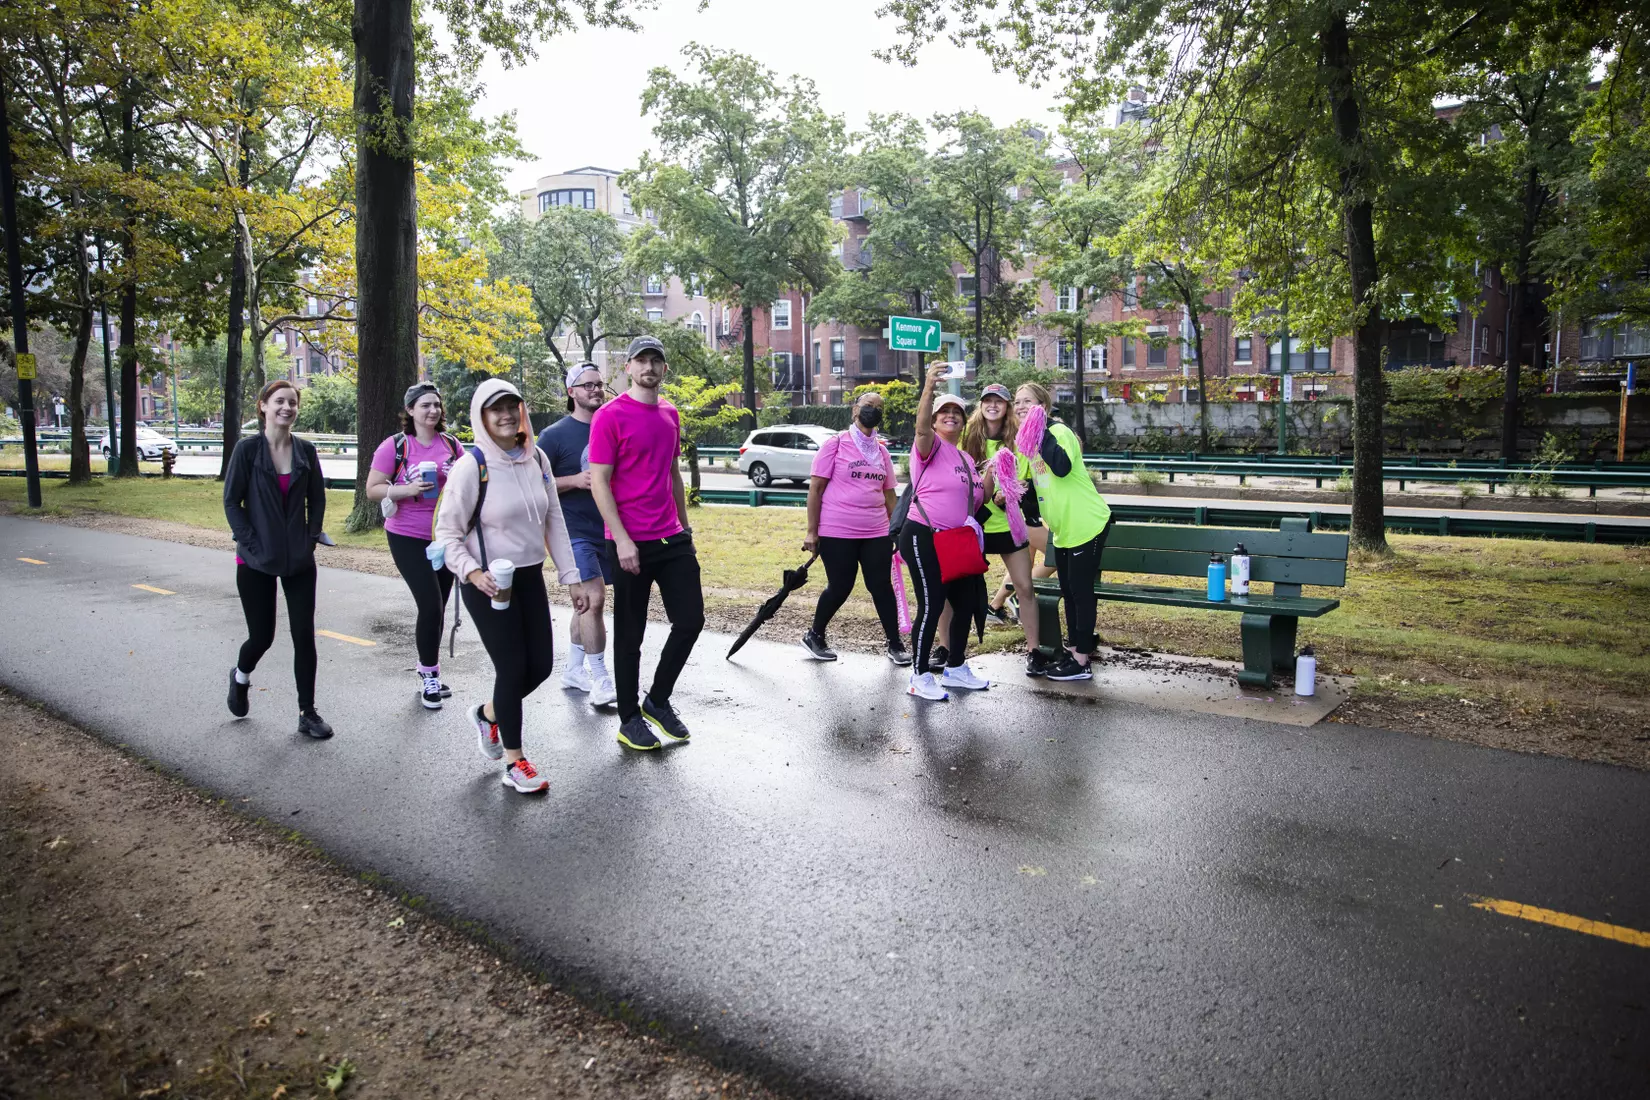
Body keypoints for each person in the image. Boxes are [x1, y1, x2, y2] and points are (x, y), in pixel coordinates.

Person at [434, 379, 596, 794]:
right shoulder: (472, 466)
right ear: (481, 417)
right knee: (510, 668)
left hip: (527, 576)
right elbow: (447, 533)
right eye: (495, 409)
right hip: (488, 582)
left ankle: (489, 714)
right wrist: (472, 572)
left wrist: (571, 577)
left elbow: (554, 520)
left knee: (539, 666)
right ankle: (515, 761)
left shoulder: (537, 458)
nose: (506, 415)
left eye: (512, 406)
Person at [589, 335, 705, 752]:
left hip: (672, 538)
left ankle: (657, 700)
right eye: (642, 361)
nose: (649, 367)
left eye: (657, 361)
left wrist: (685, 529)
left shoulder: (671, 413)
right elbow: (599, 482)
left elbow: (672, 473)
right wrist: (621, 539)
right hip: (629, 540)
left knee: (691, 620)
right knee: (630, 633)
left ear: (664, 370)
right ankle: (629, 718)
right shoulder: (609, 416)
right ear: (628, 367)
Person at [223, 379, 333, 740]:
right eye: (279, 401)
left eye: (292, 403)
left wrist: (311, 536)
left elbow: (316, 499)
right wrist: (250, 543)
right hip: (255, 561)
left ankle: (307, 712)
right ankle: (240, 677)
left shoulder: (306, 451)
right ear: (263, 406)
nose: (287, 408)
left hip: (299, 559)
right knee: (262, 637)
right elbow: (231, 503)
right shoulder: (247, 450)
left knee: (304, 636)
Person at [365, 382, 464, 709]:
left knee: (438, 608)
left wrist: (458, 474)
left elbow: (471, 482)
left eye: (436, 404)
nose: (433, 410)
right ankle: (431, 676)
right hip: (406, 535)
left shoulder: (451, 445)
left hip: (444, 535)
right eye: (425, 405)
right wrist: (405, 490)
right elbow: (372, 489)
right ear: (410, 410)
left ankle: (428, 669)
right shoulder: (394, 446)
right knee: (431, 605)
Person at [898, 363, 990, 700]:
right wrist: (928, 388)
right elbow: (920, 428)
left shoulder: (965, 459)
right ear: (935, 419)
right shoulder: (929, 446)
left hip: (955, 542)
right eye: (944, 411)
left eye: (957, 412)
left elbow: (978, 498)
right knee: (932, 603)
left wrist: (1000, 474)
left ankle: (955, 668)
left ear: (964, 421)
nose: (951, 415)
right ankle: (919, 675)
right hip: (923, 534)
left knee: (965, 602)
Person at [800, 389, 911, 666]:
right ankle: (815, 635)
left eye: (879, 407)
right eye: (868, 405)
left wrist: (896, 527)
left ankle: (895, 644)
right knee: (840, 586)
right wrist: (812, 531)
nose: (873, 410)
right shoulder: (836, 444)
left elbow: (889, 495)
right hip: (837, 530)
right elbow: (815, 489)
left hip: (876, 530)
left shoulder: (882, 452)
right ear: (855, 410)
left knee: (881, 586)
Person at [1014, 382, 1113, 682]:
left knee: (1080, 592)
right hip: (1063, 530)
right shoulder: (1026, 444)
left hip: (1086, 523)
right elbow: (1031, 488)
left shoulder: (1059, 433)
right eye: (1017, 402)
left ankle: (1081, 661)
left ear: (1042, 407)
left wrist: (1039, 428)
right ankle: (1074, 652)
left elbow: (1061, 468)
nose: (1020, 406)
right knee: (1069, 591)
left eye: (1027, 402)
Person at [538, 362, 617, 707]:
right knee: (595, 599)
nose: (595, 390)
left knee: (585, 605)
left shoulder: (612, 426)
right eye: (587, 385)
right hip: (573, 530)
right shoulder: (553, 436)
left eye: (599, 384)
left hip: (611, 530)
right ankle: (600, 677)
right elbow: (534, 484)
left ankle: (573, 669)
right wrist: (574, 481)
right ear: (571, 392)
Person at [961, 382, 1045, 676]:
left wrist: (1008, 492)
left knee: (1024, 587)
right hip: (977, 526)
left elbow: (1021, 483)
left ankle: (1034, 651)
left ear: (1007, 407)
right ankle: (950, 649)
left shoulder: (1018, 440)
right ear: (981, 406)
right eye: (988, 400)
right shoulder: (968, 438)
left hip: (1010, 525)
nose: (993, 405)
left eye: (1000, 401)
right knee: (958, 589)